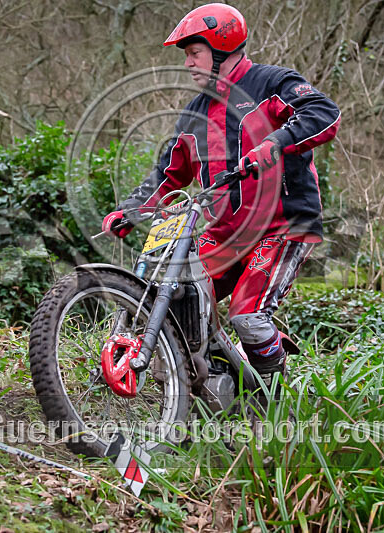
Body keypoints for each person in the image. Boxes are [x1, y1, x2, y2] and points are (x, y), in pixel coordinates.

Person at [101, 3, 340, 380]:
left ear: (221, 47)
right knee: (180, 294)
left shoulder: (272, 82)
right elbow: (167, 173)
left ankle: (271, 400)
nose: (188, 63)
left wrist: (277, 141)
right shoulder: (193, 114)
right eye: (187, 56)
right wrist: (130, 210)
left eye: (194, 53)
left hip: (284, 225)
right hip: (226, 232)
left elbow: (323, 113)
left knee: (247, 317)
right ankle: (205, 383)